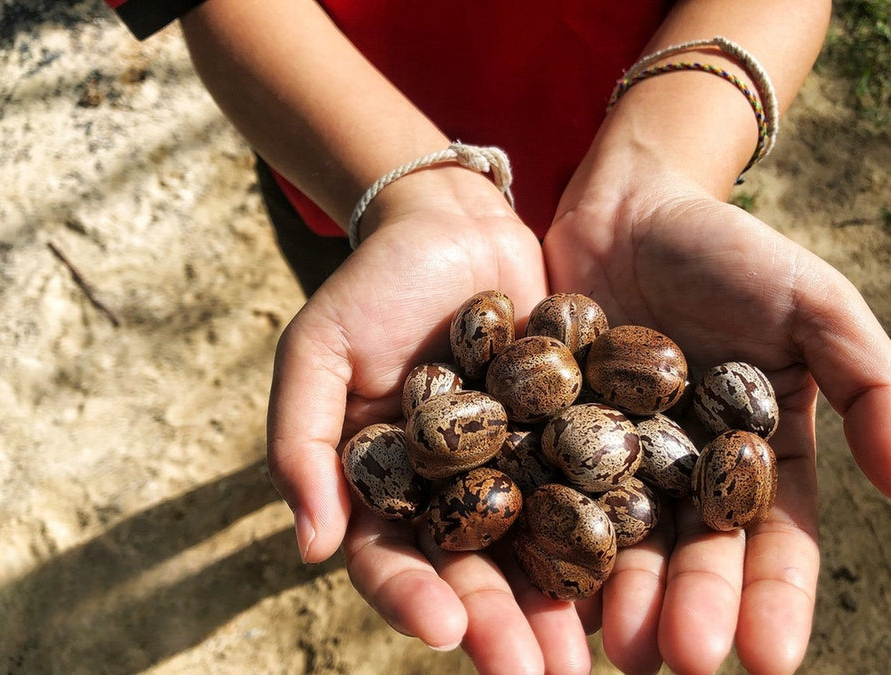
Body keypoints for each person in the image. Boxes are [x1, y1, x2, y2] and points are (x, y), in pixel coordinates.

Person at [110, 1, 891, 673]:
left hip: (627, 158)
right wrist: (406, 191)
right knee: (359, 386)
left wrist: (666, 157)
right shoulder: (478, 390)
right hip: (349, 181)